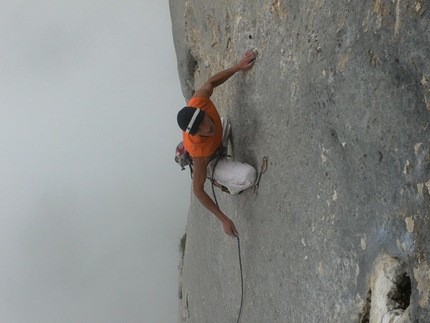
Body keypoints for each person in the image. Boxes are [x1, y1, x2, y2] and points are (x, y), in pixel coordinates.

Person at [176, 50, 258, 237]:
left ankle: (222, 156)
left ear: (200, 110)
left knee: (224, 122)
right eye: (200, 129)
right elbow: (198, 191)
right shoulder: (199, 153)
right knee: (249, 176)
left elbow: (212, 82)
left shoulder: (199, 100)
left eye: (204, 120)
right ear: (195, 134)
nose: (207, 127)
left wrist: (238, 66)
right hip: (210, 161)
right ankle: (227, 184)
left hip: (215, 143)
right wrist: (224, 219)